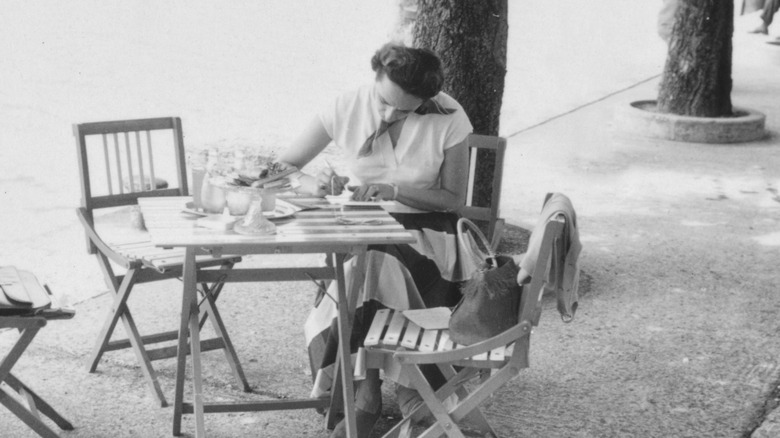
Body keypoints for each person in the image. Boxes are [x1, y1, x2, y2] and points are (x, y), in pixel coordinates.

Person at [279, 43, 477, 437]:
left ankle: (363, 394)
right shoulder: (347, 105)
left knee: (368, 264)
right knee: (368, 258)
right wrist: (313, 182)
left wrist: (393, 190)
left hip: (429, 233)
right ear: (375, 78)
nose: (389, 114)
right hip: (366, 229)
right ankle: (389, 387)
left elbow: (455, 199)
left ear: (428, 99)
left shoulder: (451, 115)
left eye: (404, 110)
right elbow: (285, 166)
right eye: (384, 102)